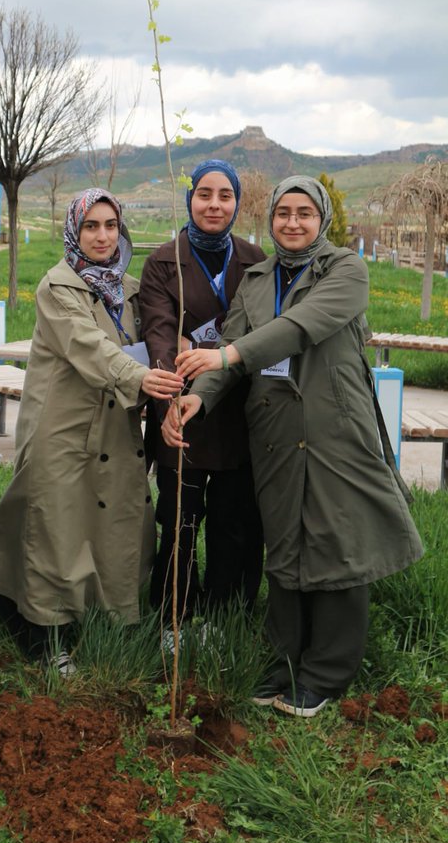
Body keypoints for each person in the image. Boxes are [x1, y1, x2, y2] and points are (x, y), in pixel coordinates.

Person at [164, 175, 424, 717]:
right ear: (271, 219)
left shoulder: (345, 270)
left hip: (336, 428)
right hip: (276, 429)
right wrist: (200, 399)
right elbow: (231, 350)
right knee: (284, 540)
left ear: (321, 217)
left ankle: (326, 673)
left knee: (336, 538)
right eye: (283, 212)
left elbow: (300, 327)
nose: (293, 222)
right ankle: (283, 662)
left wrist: (226, 357)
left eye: (304, 212)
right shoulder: (256, 279)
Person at [0, 188, 184, 675]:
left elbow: (155, 338)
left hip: (114, 429)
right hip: (62, 428)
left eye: (110, 225)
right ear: (74, 230)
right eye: (90, 226)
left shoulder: (129, 290)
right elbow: (86, 344)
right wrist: (141, 379)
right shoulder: (57, 287)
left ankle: (107, 620)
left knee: (113, 524)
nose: (102, 235)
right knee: (56, 528)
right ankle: (44, 637)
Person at [139, 159, 265, 640]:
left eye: (225, 196)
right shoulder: (163, 260)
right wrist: (176, 369)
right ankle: (175, 618)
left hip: (239, 412)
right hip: (180, 409)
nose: (215, 204)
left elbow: (260, 333)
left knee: (237, 524)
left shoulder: (255, 261)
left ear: (236, 203)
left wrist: (208, 351)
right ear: (190, 198)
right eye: (205, 194)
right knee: (179, 524)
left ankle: (227, 617)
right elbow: (159, 332)